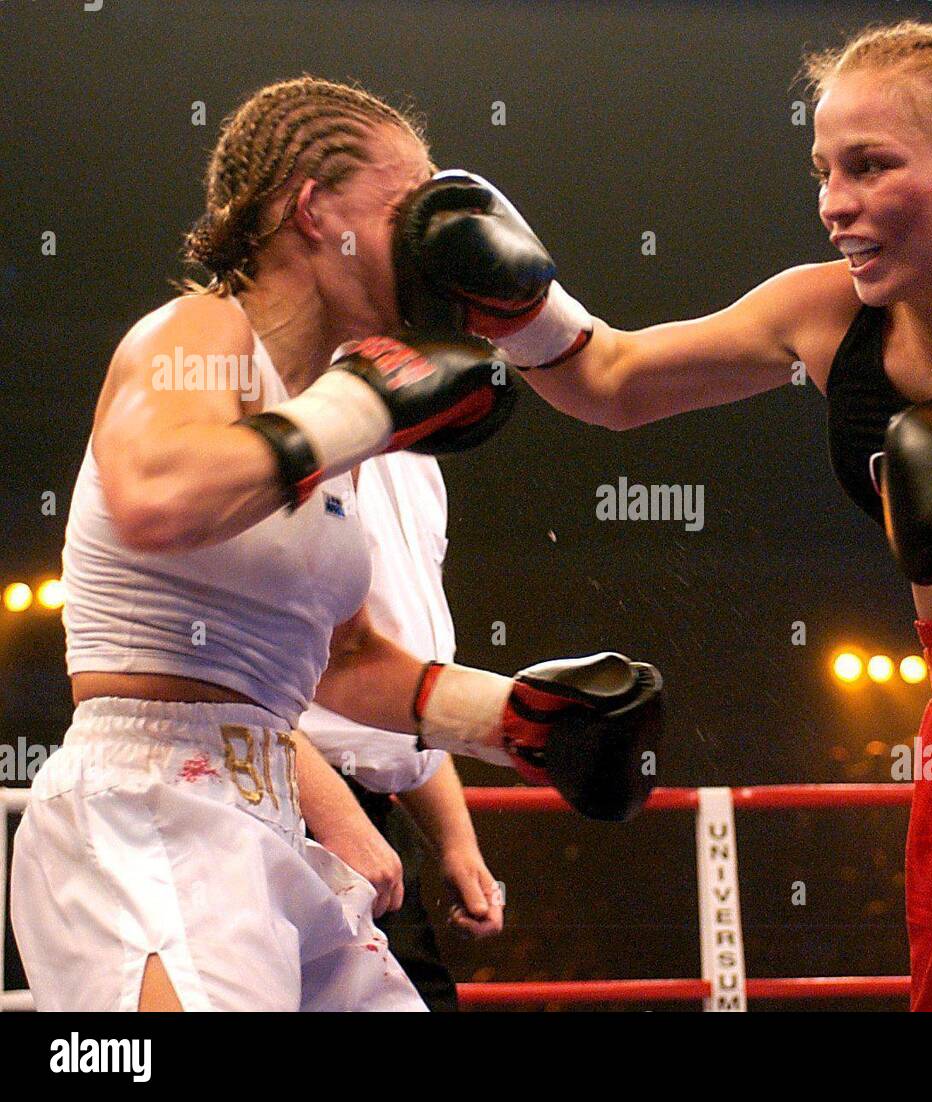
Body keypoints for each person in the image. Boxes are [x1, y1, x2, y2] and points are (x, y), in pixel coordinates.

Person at [395, 21, 932, 1010]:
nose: (833, 205)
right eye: (822, 170)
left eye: (868, 166)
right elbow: (613, 380)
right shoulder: (825, 315)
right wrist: (521, 305)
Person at [10, 76, 660, 1012]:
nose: (439, 238)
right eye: (408, 206)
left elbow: (345, 659)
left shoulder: (338, 413)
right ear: (312, 208)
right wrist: (361, 408)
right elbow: (157, 494)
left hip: (266, 805)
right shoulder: (202, 332)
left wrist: (513, 719)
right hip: (143, 802)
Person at [298, 449, 505, 1011]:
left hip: (366, 813)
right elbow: (221, 673)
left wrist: (457, 843)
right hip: (273, 800)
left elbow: (398, 687)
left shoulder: (416, 464)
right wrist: (521, 721)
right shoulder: (284, 428)